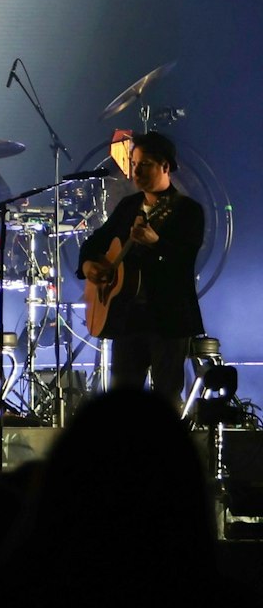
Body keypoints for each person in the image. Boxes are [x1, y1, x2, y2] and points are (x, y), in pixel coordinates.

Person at [77, 130, 204, 405]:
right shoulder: (128, 206)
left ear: (165, 166)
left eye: (144, 164)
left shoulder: (188, 211)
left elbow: (184, 262)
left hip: (168, 319)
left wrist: (156, 243)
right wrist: (88, 265)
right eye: (133, 164)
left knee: (166, 399)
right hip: (128, 318)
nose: (136, 172)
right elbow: (94, 242)